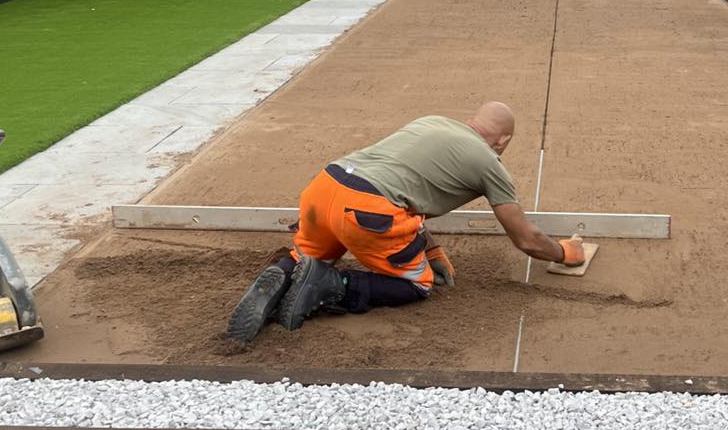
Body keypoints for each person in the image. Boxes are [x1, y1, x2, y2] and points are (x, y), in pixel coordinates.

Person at [225, 101, 586, 338]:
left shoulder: (430, 122)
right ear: (503, 140)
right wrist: (565, 253)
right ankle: (333, 284)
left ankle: (284, 274)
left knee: (306, 255)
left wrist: (433, 249)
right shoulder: (489, 162)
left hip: (325, 187)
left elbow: (407, 189)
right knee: (416, 285)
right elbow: (526, 239)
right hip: (368, 209)